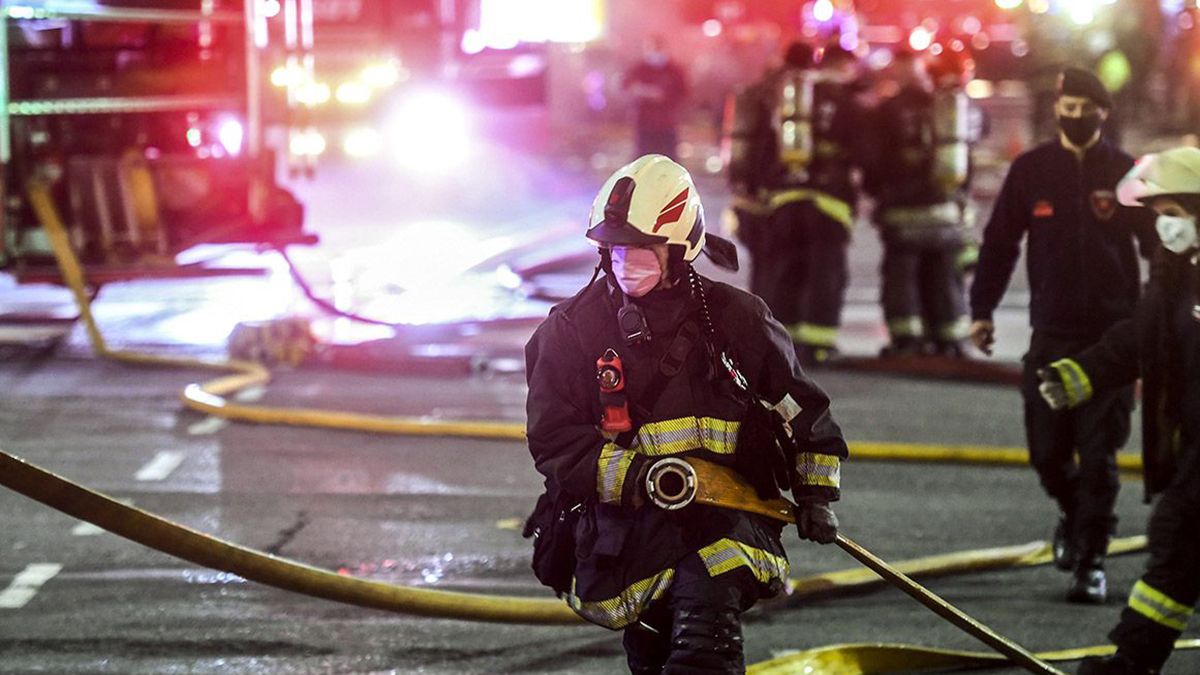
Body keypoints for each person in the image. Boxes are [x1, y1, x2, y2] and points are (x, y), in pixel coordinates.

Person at [524, 154, 848, 674]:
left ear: (680, 248)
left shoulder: (736, 321)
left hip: (724, 520)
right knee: (651, 657)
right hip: (626, 530)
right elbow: (555, 439)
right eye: (616, 249)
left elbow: (799, 410)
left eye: (643, 250)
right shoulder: (571, 331)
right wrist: (639, 477)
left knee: (704, 647)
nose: (627, 262)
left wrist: (815, 493)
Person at [968, 67, 1158, 603]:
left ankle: (1092, 561)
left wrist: (1154, 323)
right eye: (1065, 106)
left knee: (1099, 455)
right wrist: (981, 309)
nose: (1074, 116)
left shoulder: (1125, 173)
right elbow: (1000, 242)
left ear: (1103, 112)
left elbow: (1156, 249)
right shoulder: (1032, 170)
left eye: (1084, 108)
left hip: (1111, 342)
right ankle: (1076, 519)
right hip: (1050, 335)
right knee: (1048, 453)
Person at [1037, 147, 1200, 675]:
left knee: (1176, 544)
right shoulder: (1175, 274)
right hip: (1191, 445)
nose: (1164, 228)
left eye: (1173, 215)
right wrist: (1079, 375)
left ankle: (1131, 663)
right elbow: (1140, 339)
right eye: (1158, 217)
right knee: (1180, 550)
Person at [723, 42, 864, 366]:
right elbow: (863, 151)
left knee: (778, 272)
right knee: (823, 272)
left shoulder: (770, 94)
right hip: (829, 201)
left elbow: (757, 149)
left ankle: (773, 344)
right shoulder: (841, 99)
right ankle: (817, 344)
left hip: (777, 199)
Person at [864, 49, 976, 357]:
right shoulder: (945, 106)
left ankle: (907, 339)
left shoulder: (886, 111)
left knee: (902, 276)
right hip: (943, 207)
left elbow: (872, 160)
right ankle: (950, 337)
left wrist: (877, 192)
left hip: (902, 209)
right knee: (942, 275)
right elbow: (968, 153)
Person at [622, 35, 689, 158]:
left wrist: (665, 97)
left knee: (668, 159)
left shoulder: (674, 70)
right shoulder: (639, 69)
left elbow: (683, 93)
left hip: (667, 123)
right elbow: (626, 87)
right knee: (643, 160)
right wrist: (641, 92)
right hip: (644, 123)